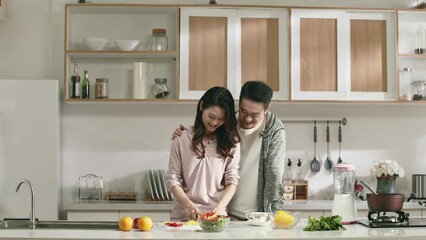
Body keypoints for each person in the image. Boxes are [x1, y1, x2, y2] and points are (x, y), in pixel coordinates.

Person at [172, 81, 286, 220]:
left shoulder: (274, 131)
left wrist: (276, 216)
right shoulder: (227, 122)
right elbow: (204, 130)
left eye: (255, 114)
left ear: (267, 108)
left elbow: (275, 174)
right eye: (243, 111)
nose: (248, 118)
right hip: (224, 212)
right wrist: (184, 134)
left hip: (254, 213)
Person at [166, 86, 241, 221]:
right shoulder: (182, 137)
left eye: (221, 119)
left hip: (217, 218)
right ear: (201, 106)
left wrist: (220, 208)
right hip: (184, 217)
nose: (214, 122)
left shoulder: (232, 142)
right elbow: (172, 179)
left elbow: (232, 180)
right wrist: (189, 206)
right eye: (211, 116)